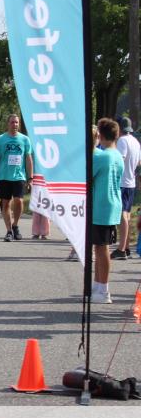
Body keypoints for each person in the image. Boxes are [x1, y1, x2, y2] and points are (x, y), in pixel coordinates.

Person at [91, 118, 124, 303]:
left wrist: (91, 146)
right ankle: (98, 285)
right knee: (99, 247)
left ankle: (104, 290)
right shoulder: (117, 155)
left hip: (101, 205)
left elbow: (87, 175)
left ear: (100, 135)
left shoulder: (102, 156)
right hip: (111, 204)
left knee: (102, 248)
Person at [0, 113, 34, 241]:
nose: (14, 124)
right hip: (4, 176)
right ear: (7, 124)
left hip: (19, 176)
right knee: (5, 204)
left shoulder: (25, 139)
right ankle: (9, 231)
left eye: (16, 122)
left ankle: (15, 225)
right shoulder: (0, 139)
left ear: (19, 124)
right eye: (12, 122)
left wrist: (30, 178)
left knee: (19, 201)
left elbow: (28, 158)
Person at [111, 116, 141, 259]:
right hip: (131, 182)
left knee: (122, 214)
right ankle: (127, 246)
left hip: (122, 182)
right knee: (127, 214)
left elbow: (120, 160)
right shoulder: (135, 141)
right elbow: (139, 162)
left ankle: (121, 249)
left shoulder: (122, 141)